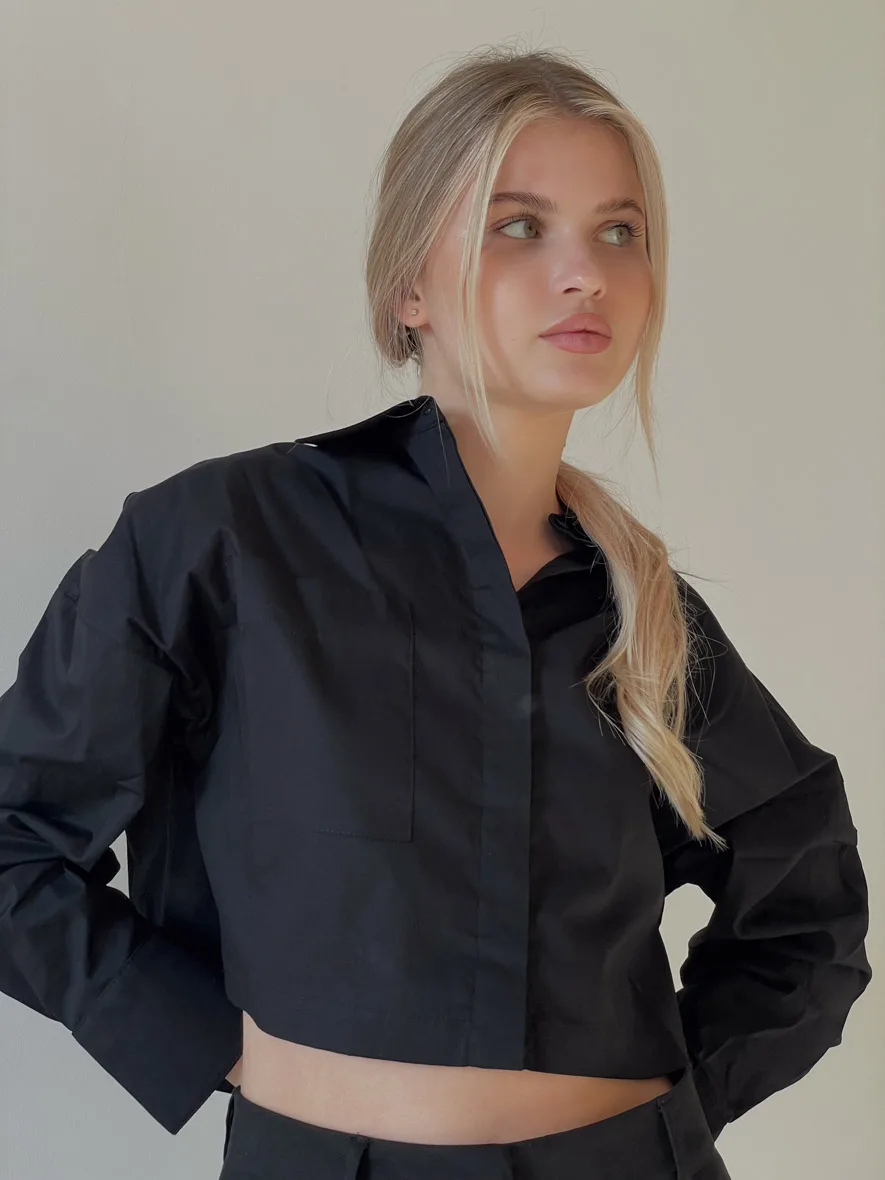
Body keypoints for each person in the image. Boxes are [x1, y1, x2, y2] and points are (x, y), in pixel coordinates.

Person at [0, 43, 871, 1180]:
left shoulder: (646, 614)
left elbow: (808, 911)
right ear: (410, 285)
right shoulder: (222, 540)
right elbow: (13, 838)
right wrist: (207, 1042)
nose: (585, 273)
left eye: (619, 231)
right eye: (520, 226)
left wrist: (668, 1120)